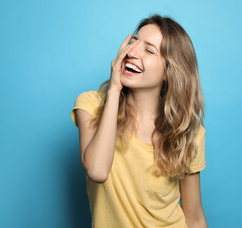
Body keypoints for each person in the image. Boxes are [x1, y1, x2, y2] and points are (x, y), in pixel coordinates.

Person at [71, 14, 208, 228]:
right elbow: (97, 171)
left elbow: (194, 215)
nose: (132, 52)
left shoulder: (186, 131)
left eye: (149, 50)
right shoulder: (90, 105)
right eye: (133, 41)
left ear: (169, 72)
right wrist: (115, 89)